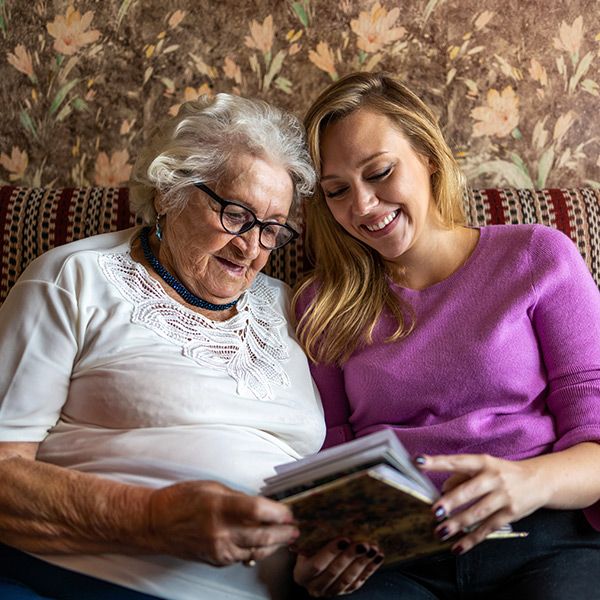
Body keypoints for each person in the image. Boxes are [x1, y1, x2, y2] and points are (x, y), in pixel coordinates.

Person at [0, 93, 326, 600]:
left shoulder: (289, 306)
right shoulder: (73, 280)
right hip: (82, 580)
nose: (250, 247)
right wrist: (154, 520)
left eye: (271, 230)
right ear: (168, 191)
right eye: (236, 214)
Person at [291, 71, 600, 599]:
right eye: (338, 191)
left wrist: (530, 482)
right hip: (393, 558)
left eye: (380, 172)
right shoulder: (321, 302)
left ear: (428, 157)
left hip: (541, 534)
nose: (363, 206)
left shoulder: (537, 255)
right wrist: (312, 555)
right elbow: (329, 453)